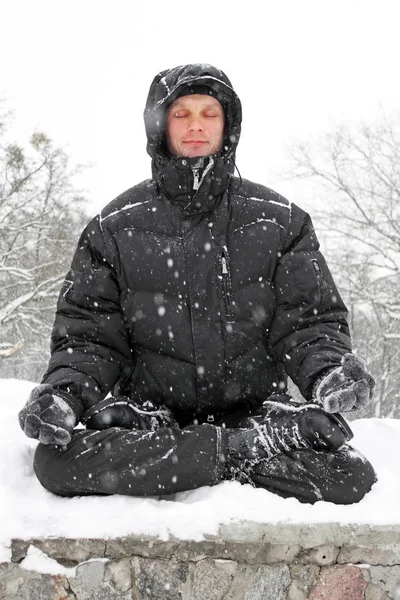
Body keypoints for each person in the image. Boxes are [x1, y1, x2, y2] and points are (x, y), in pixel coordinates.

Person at [19, 64, 376, 504]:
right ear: (160, 124)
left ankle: (208, 458)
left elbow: (309, 324)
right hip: (150, 422)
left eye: (209, 114)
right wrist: (63, 397)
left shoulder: (281, 222)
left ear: (228, 125)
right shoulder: (112, 229)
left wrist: (330, 371)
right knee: (54, 463)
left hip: (254, 415)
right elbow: (89, 340)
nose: (195, 126)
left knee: (350, 473)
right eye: (181, 114)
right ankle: (240, 455)